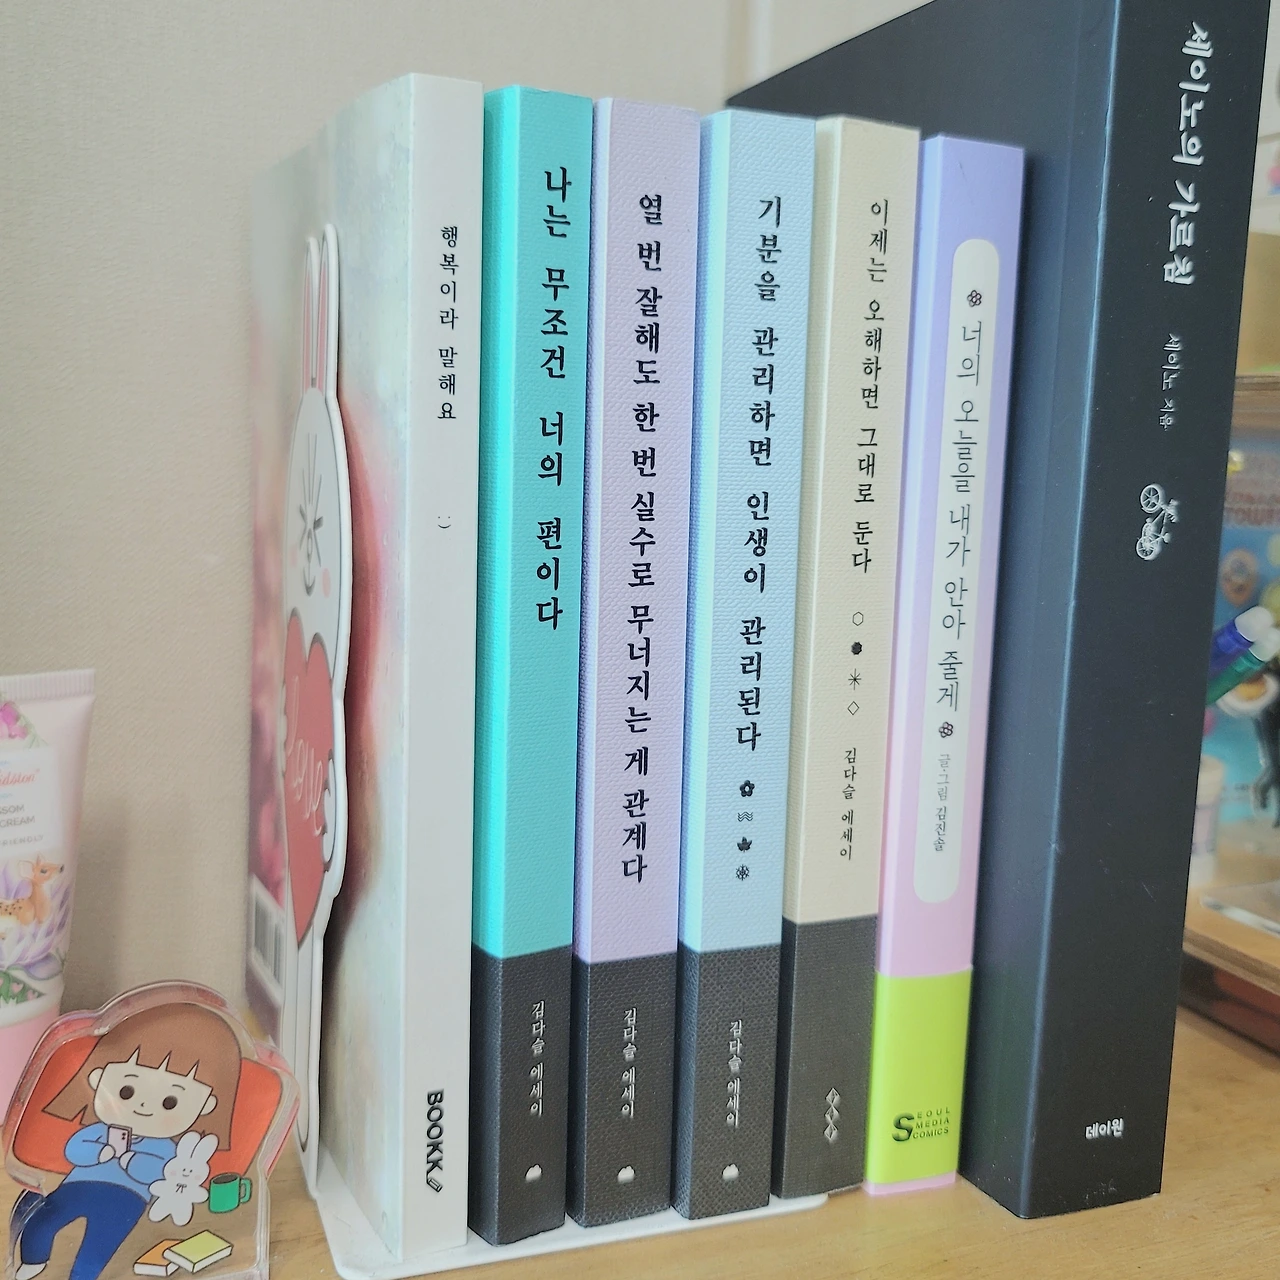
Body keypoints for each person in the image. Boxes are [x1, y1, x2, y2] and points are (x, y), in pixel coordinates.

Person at [13, 1002, 242, 1280]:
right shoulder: (100, 1130)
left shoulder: (165, 1147)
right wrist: (103, 1152)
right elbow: (74, 1149)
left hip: (127, 1197)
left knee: (100, 1244)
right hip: (77, 1185)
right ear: (97, 1079)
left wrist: (128, 1158)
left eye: (170, 1102)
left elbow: (159, 1172)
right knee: (43, 1222)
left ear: (206, 1105)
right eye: (126, 1091)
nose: (144, 1105)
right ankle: (33, 1260)